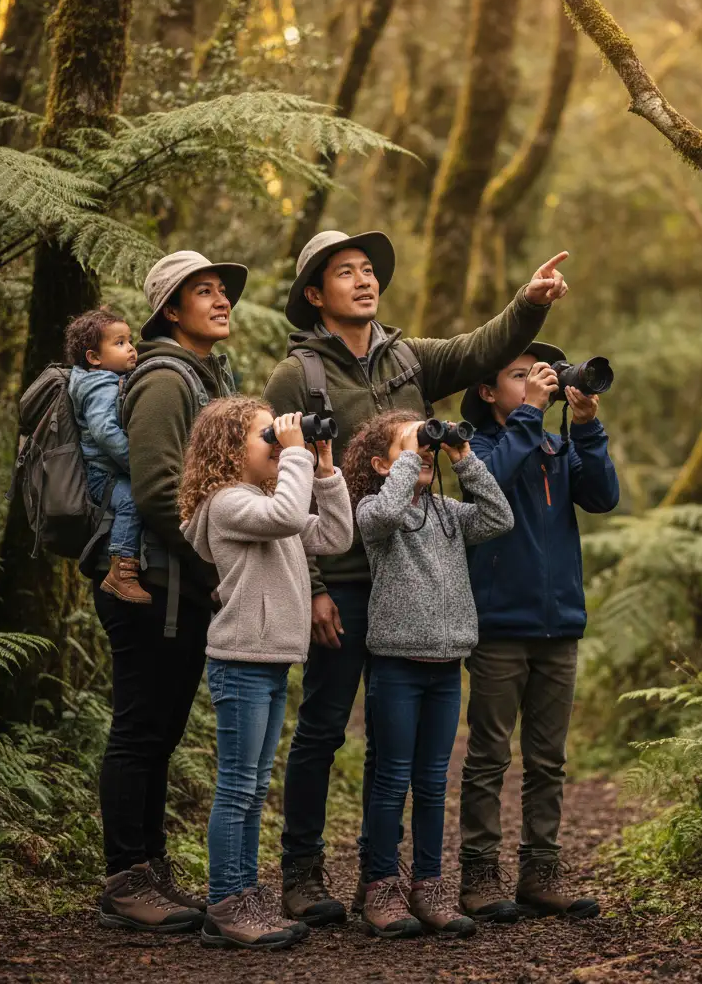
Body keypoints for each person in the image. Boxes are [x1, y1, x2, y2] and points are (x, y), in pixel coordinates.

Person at [262, 229, 570, 924]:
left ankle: (385, 877)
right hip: (343, 574)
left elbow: (480, 348)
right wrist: (313, 584)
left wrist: (530, 303)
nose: (364, 280)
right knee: (324, 727)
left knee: (393, 741)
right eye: (346, 272)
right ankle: (302, 873)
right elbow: (288, 480)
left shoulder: (408, 358)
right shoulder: (297, 376)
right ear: (316, 295)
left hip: (408, 574)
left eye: (369, 270)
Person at [96, 251, 248, 933]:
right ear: (171, 310)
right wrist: (222, 566)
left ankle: (150, 870)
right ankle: (125, 879)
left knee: (160, 734)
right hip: (151, 584)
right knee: (139, 731)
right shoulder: (164, 379)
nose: (220, 300)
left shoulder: (207, 376)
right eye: (203, 291)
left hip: (181, 582)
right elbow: (160, 492)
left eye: (222, 291)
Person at [180, 400, 354, 949]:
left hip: (269, 662)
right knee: (237, 787)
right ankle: (225, 904)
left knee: (254, 788)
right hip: (240, 663)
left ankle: (246, 896)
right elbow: (286, 517)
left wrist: (324, 467)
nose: (279, 443)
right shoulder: (228, 503)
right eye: (267, 436)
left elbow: (335, 537)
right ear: (231, 450)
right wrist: (296, 453)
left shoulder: (265, 503)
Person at [457, 344, 620, 922]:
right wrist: (529, 413)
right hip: (500, 625)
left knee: (548, 760)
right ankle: (479, 874)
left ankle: (541, 872)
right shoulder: (475, 447)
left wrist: (587, 427)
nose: (534, 382)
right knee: (488, 756)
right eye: (519, 375)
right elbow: (490, 484)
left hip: (559, 625)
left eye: (539, 374)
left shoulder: (555, 446)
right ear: (487, 391)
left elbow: (602, 497)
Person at [343, 410, 513, 939]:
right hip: (397, 665)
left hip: (446, 666)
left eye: (425, 447)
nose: (423, 453)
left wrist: (463, 457)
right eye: (408, 447)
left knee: (434, 782)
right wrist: (411, 455)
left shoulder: (448, 513)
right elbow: (385, 514)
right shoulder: (374, 509)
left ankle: (429, 884)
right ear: (382, 464)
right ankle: (381, 886)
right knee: (393, 778)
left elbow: (499, 517)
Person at [65, 309, 148, 603]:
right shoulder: (99, 386)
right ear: (94, 358)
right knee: (131, 501)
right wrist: (136, 464)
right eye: (120, 343)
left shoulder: (100, 379)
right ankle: (121, 571)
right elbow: (104, 432)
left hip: (106, 470)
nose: (131, 348)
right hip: (104, 474)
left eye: (129, 340)